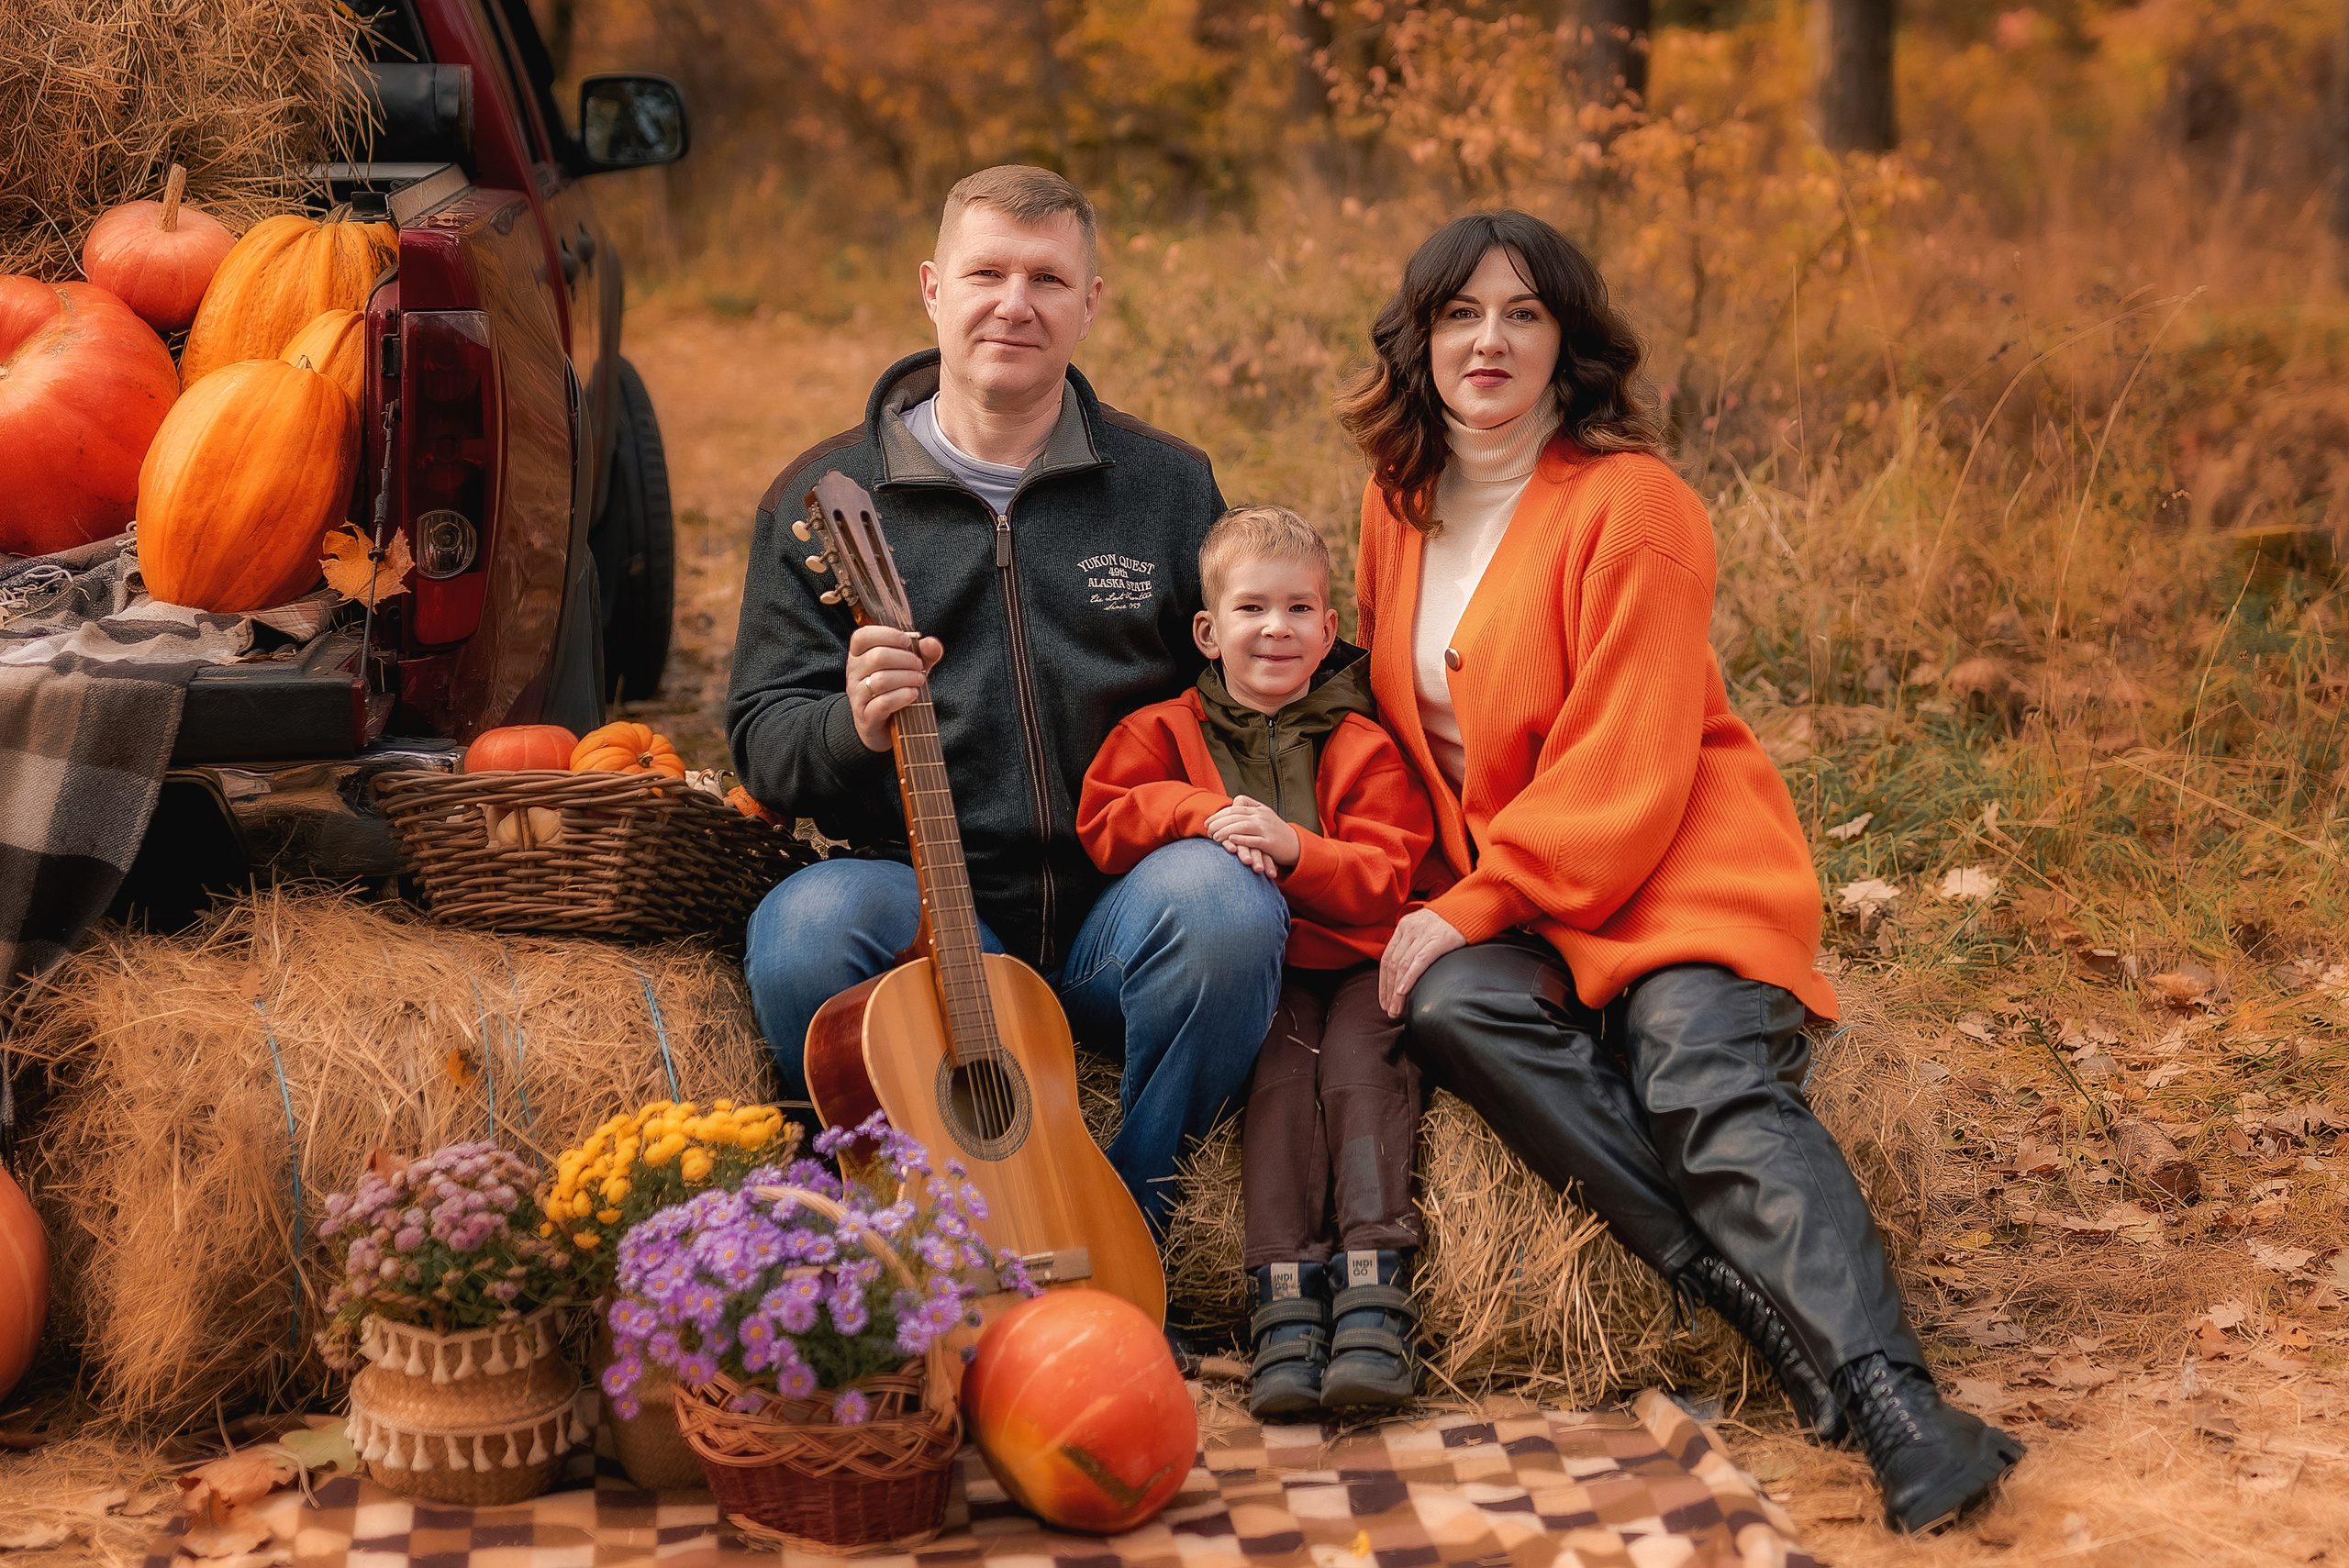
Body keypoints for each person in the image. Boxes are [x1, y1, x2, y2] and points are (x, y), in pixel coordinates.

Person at [1337, 209, 2025, 1534]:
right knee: (1448, 1006)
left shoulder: (1636, 505)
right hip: (1534, 887)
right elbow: (1408, 729)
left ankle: (1897, 1407)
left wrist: (1473, 900)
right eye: (1460, 314)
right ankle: (1736, 1294)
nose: (1489, 341)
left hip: (1672, 865)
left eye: (1524, 314)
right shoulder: (1395, 497)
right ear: (1417, 337)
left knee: (1697, 1075)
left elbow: (1625, 768)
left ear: (1568, 342)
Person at [726, 166, 1288, 1234]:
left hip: (1118, 906)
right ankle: (923, 1228)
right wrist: (849, 722)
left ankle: (1128, 1213)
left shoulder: (1167, 485)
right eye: (987, 272)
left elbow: (1237, 690)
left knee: (1227, 908)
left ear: (1090, 302)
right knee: (804, 928)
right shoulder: (822, 495)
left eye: (1047, 277)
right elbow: (760, 742)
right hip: (927, 915)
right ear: (934, 288)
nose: (1014, 303)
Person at [1076, 506, 1436, 1418]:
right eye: (1250, 608)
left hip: (1352, 964)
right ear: (1208, 628)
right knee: (1278, 1090)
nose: (1274, 628)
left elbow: (1388, 873)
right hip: (1263, 979)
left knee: (1362, 1075)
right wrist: (1198, 813)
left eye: (1298, 609)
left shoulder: (1361, 741)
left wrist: (1294, 849)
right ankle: (1283, 1310)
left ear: (1327, 627)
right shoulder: (1163, 730)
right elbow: (1104, 822)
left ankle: (1372, 1296)